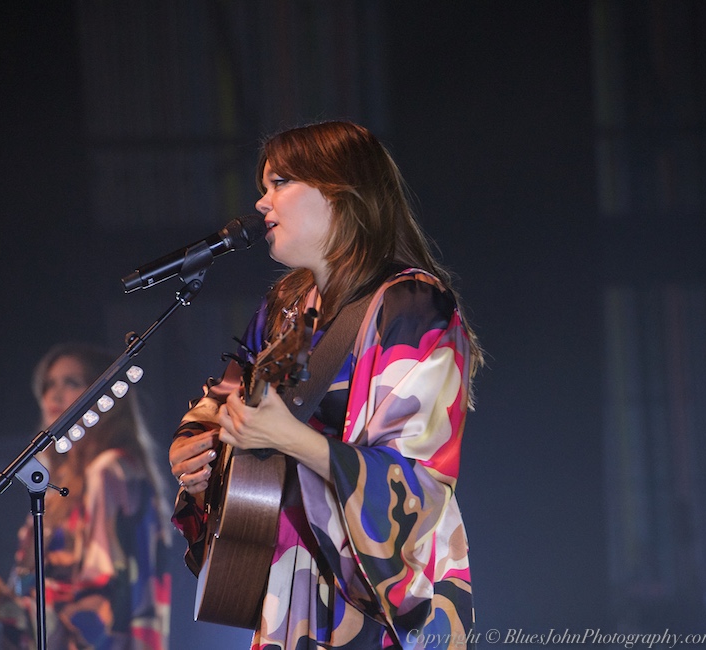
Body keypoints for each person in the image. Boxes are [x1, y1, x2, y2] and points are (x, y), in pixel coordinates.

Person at [169, 120, 484, 649]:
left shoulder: (411, 306)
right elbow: (223, 397)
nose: (262, 203)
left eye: (280, 183)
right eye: (262, 187)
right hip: (286, 591)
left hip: (373, 604)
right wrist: (194, 452)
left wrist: (289, 438)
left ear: (342, 193)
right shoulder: (284, 309)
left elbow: (417, 484)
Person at [0, 342, 172, 649]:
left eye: (72, 383)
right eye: (48, 385)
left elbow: (103, 605)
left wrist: (18, 612)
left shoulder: (110, 471)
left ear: (104, 394)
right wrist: (3, 600)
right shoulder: (57, 484)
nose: (54, 396)